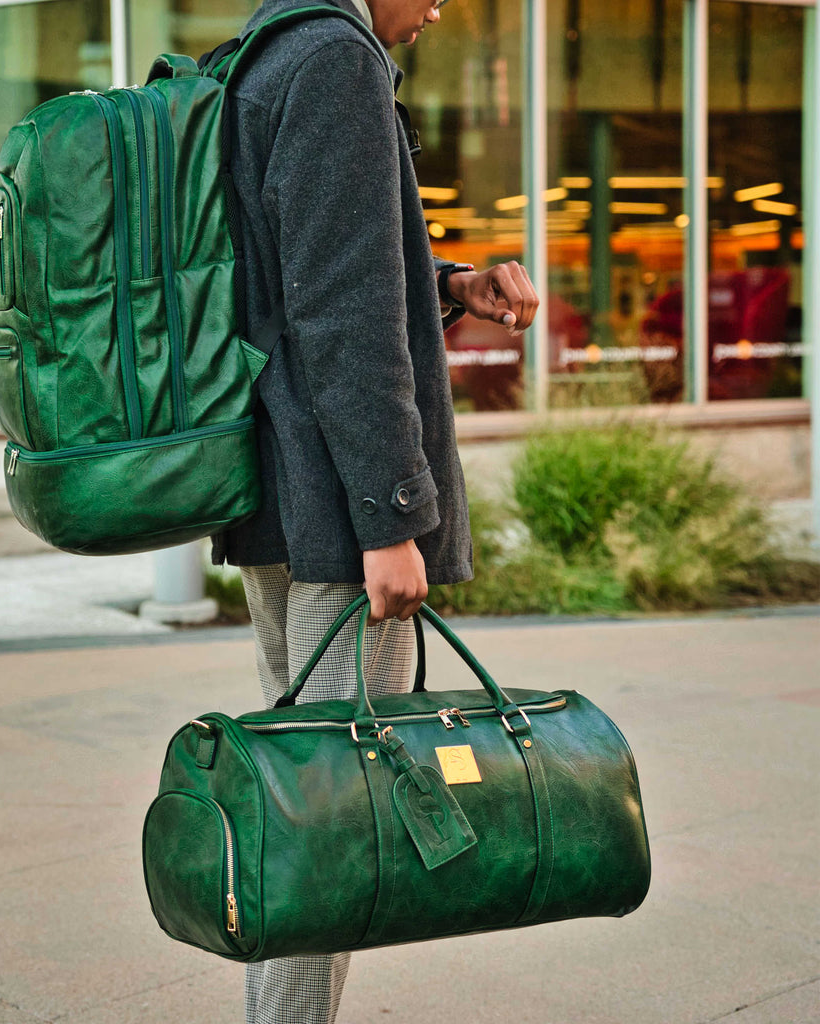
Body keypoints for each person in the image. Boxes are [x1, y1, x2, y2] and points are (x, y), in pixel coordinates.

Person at [210, 0, 539, 1021]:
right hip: (337, 516)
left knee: (305, 796)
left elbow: (294, 269)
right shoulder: (333, 60)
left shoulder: (267, 48)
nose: (440, 7)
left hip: (283, 491)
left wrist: (450, 283)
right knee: (335, 818)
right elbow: (342, 313)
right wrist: (391, 518)